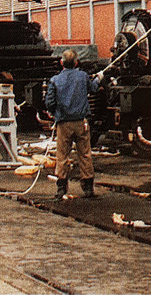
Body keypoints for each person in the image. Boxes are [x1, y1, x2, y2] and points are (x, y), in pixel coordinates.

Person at [45, 49, 104, 199]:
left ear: (61, 63)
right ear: (76, 62)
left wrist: (54, 113)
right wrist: (98, 78)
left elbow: (49, 102)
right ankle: (88, 188)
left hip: (63, 123)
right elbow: (94, 89)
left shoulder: (55, 80)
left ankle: (61, 188)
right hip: (81, 122)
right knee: (84, 154)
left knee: (62, 155)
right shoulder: (83, 77)